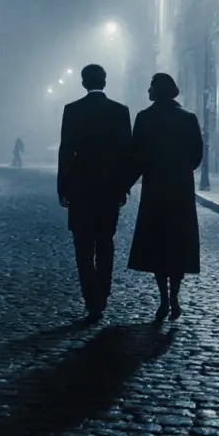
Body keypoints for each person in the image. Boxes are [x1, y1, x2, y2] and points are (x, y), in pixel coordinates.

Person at [125, 72, 203, 323]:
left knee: (158, 245)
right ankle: (176, 297)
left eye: (150, 86)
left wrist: (124, 184)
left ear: (156, 91)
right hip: (179, 189)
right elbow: (196, 156)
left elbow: (136, 156)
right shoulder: (188, 118)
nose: (147, 90)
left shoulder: (145, 118)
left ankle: (164, 301)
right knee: (177, 244)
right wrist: (180, 170)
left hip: (155, 189)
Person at [57, 64, 132, 321]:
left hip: (81, 188)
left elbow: (66, 151)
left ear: (83, 83)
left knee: (83, 245)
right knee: (105, 241)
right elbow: (126, 154)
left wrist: (63, 187)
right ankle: (103, 291)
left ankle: (91, 296)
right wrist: (123, 188)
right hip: (109, 188)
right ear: (105, 81)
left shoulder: (72, 110)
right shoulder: (120, 112)